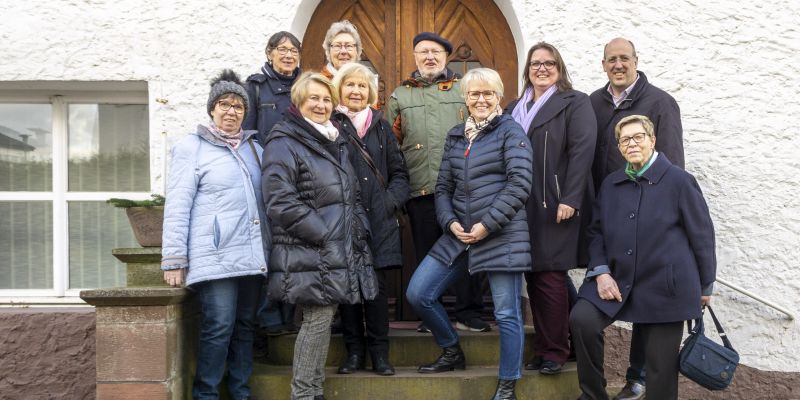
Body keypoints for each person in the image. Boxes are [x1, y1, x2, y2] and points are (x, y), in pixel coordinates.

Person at [406, 68, 533, 400]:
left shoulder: (511, 131)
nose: (481, 99)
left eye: (488, 93)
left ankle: (508, 383)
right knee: (418, 293)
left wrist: (486, 224)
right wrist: (449, 222)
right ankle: (451, 350)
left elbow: (519, 185)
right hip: (458, 234)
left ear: (498, 97)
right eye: (474, 93)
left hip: (500, 234)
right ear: (464, 97)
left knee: (507, 314)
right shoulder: (455, 135)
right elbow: (443, 187)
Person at [570, 114, 715, 400]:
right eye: (625, 140)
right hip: (617, 278)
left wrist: (705, 285)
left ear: (652, 140)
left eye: (638, 137)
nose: (631, 143)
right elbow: (595, 232)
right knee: (582, 319)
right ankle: (593, 395)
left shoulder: (680, 181)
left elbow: (702, 236)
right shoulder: (612, 183)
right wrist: (600, 272)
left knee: (660, 369)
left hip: (666, 285)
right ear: (619, 147)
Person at [261, 72, 376, 400]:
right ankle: (303, 393)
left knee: (322, 320)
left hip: (331, 249)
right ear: (299, 102)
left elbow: (348, 194)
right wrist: (324, 233)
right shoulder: (284, 140)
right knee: (316, 321)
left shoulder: (332, 138)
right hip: (309, 248)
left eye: (327, 99)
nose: (321, 105)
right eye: (314, 98)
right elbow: (278, 198)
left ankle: (313, 390)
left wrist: (355, 231)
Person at [161, 69, 269, 399]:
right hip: (216, 257)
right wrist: (174, 259)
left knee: (245, 328)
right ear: (211, 109)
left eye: (238, 106)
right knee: (218, 328)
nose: (231, 111)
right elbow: (177, 205)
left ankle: (240, 391)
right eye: (224, 104)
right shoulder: (190, 148)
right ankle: (206, 393)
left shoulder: (256, 150)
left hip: (252, 258)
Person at [589, 37, 685, 400]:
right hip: (608, 217)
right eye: (611, 59)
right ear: (603, 64)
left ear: (636, 61)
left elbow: (672, 163)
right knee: (600, 289)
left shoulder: (660, 102)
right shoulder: (593, 104)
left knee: (647, 296)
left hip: (648, 220)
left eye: (624, 58)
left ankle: (638, 377)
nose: (618, 64)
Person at [387, 31, 489, 333]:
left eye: (435, 52)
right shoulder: (400, 95)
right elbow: (393, 145)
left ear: (446, 57)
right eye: (423, 52)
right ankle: (433, 314)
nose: (429, 57)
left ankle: (469, 312)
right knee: (429, 252)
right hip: (420, 188)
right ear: (415, 57)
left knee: (468, 250)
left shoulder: (464, 89)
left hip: (464, 189)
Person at [506, 42, 597, 375]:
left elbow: (583, 151)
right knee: (537, 275)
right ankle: (561, 344)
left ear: (559, 68)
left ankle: (554, 353)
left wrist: (571, 198)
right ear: (527, 69)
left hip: (555, 202)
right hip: (521, 205)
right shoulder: (514, 107)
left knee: (549, 276)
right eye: (535, 63)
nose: (541, 68)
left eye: (548, 63)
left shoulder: (574, 102)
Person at [331, 63, 410, 376]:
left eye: (362, 86)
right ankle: (354, 353)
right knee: (349, 289)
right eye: (350, 85)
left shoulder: (380, 126)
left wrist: (388, 203)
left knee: (375, 292)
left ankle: (380, 354)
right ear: (340, 89)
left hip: (378, 222)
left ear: (370, 93)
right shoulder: (330, 125)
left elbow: (400, 173)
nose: (355, 91)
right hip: (343, 220)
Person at [244, 31, 302, 340]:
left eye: (294, 50)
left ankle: (289, 314)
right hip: (267, 178)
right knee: (269, 248)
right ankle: (268, 319)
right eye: (282, 49)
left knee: (295, 247)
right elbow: (247, 136)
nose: (289, 55)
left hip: (302, 178)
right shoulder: (255, 87)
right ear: (270, 53)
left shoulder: (305, 86)